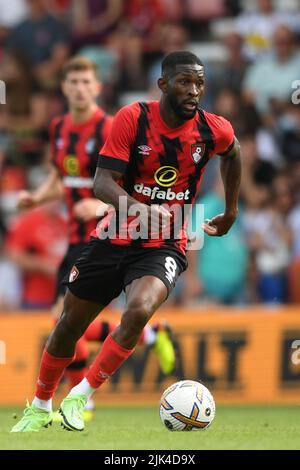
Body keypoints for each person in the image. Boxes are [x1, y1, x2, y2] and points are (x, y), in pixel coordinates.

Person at [11, 50, 241, 433]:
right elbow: (102, 182)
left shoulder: (212, 128)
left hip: (166, 242)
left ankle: (80, 395)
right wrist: (139, 208)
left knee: (138, 310)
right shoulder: (133, 118)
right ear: (163, 84)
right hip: (115, 234)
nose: (194, 91)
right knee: (68, 323)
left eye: (200, 83)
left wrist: (231, 209)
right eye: (185, 82)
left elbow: (234, 153)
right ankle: (39, 405)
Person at [15, 56, 175, 414]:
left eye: (87, 82)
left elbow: (130, 181)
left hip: (107, 233)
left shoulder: (111, 127)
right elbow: (63, 176)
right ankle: (151, 334)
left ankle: (79, 402)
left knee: (65, 319)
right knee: (68, 321)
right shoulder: (59, 128)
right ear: (64, 87)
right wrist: (37, 197)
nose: (80, 88)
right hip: (75, 237)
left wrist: (103, 207)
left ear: (98, 87)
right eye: (73, 82)